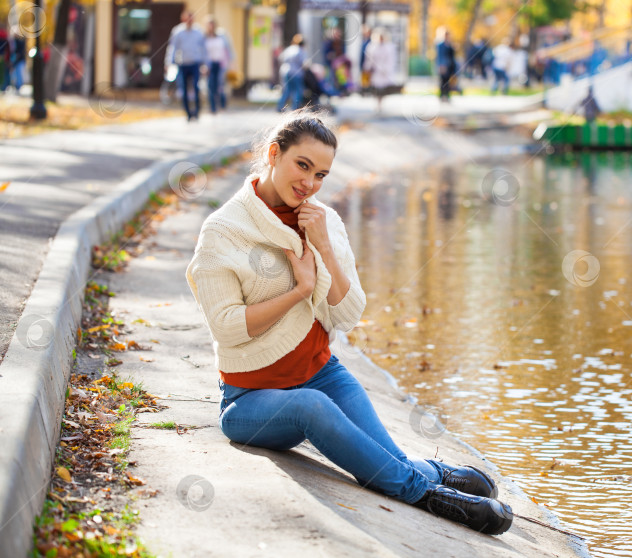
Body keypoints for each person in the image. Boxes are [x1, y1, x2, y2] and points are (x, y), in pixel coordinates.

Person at [185, 110, 514, 536]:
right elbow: (227, 327)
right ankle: (429, 495)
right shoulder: (223, 231)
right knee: (313, 409)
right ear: (273, 154)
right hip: (248, 401)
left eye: (321, 174)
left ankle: (431, 471)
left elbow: (347, 314)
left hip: (322, 375)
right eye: (302, 165)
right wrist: (298, 292)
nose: (309, 184)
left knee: (384, 454)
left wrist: (322, 245)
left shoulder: (325, 222)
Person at [166, 11, 208, 121]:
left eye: (191, 18)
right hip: (183, 64)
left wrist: (205, 64)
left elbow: (204, 49)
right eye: (187, 18)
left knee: (196, 87)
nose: (189, 21)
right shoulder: (178, 31)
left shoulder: (198, 32)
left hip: (195, 63)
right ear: (183, 19)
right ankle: (188, 113)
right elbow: (172, 48)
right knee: (183, 89)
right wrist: (168, 63)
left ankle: (197, 111)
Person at [364, 29, 397, 113]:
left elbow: (391, 59)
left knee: (383, 88)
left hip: (384, 71)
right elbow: (369, 59)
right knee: (375, 88)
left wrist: (387, 69)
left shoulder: (389, 47)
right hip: (375, 71)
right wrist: (367, 68)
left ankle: (380, 104)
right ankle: (377, 103)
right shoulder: (372, 46)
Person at [203, 16, 228, 114]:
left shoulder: (221, 36)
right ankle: (213, 107)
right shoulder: (204, 38)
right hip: (209, 64)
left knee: (220, 84)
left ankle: (222, 104)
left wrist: (230, 63)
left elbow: (227, 50)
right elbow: (202, 52)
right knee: (210, 85)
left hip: (220, 63)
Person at [277, 34, 306, 112]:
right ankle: (295, 108)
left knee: (287, 90)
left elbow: (280, 58)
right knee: (298, 90)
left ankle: (280, 106)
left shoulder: (289, 49)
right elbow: (303, 63)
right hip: (297, 73)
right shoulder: (300, 50)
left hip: (286, 71)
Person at [435, 28, 457, 102]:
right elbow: (440, 56)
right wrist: (441, 65)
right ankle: (442, 95)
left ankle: (447, 95)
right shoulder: (440, 45)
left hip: (450, 65)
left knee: (448, 81)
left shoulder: (449, 44)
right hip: (443, 65)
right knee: (442, 81)